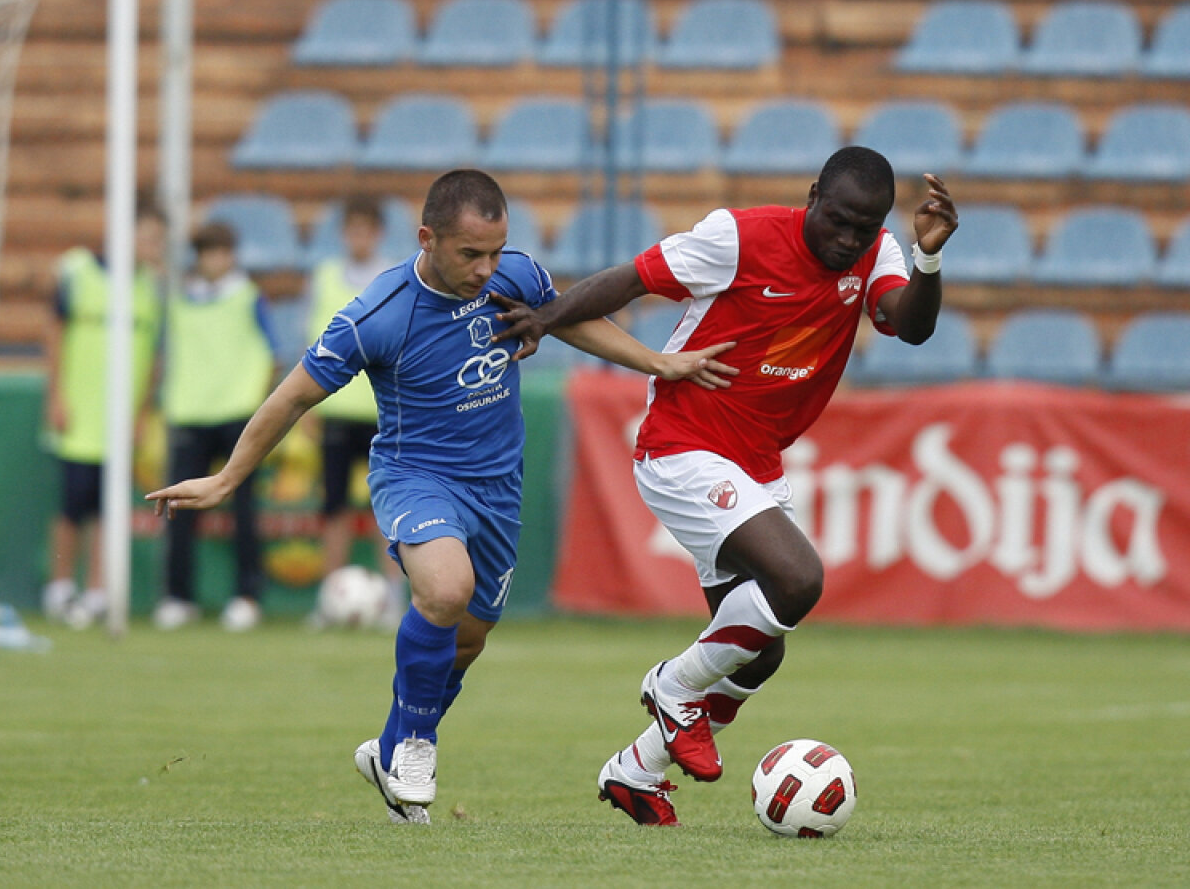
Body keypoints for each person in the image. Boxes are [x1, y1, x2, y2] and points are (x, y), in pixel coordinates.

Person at [144, 169, 737, 825]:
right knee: (445, 590)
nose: (487, 269)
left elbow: (569, 319)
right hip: (415, 477)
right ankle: (419, 745)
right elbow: (293, 396)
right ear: (427, 238)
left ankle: (391, 749)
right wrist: (227, 477)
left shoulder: (513, 274)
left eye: (495, 251)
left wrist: (661, 362)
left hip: (496, 488)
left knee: (468, 638)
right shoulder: (379, 314)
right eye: (470, 254)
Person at [491, 146, 959, 826]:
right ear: (812, 196)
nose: (847, 239)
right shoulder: (738, 237)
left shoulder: (876, 253)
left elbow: (910, 326)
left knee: (760, 652)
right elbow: (630, 280)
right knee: (797, 580)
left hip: (756, 462)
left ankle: (637, 767)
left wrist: (928, 259)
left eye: (864, 226)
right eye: (837, 220)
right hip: (684, 446)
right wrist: (546, 318)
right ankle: (672, 685)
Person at [42, 197, 166, 629]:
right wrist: (55, 396)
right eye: (148, 236)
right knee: (72, 504)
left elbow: (154, 359)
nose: (155, 246)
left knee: (107, 508)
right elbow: (54, 336)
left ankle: (98, 590)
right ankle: (59, 587)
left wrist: (141, 414)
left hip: (120, 422)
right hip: (81, 415)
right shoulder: (76, 272)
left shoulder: (152, 288)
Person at [152, 221, 277, 633]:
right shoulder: (179, 300)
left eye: (222, 252)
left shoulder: (248, 297)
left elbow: (273, 353)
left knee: (244, 510)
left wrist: (258, 404)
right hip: (189, 413)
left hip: (238, 415)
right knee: (179, 511)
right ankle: (178, 596)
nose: (215, 260)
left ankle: (247, 596)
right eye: (208, 252)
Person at [306, 194, 406, 628]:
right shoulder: (325, 277)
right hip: (336, 408)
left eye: (367, 230)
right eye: (352, 230)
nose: (359, 238)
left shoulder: (395, 277)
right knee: (334, 508)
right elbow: (311, 340)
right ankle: (331, 598)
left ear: (378, 234)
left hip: (380, 411)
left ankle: (394, 601)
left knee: (389, 509)